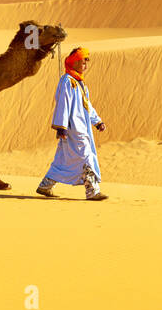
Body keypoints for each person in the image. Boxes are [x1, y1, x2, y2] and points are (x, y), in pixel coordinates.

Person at [36, 47, 108, 200]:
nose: (85, 66)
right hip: (73, 128)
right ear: (75, 62)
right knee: (86, 156)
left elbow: (87, 105)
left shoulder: (80, 82)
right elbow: (63, 104)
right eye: (83, 62)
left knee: (62, 159)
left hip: (82, 126)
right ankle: (92, 191)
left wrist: (97, 121)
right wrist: (61, 127)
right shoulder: (67, 81)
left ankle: (45, 186)